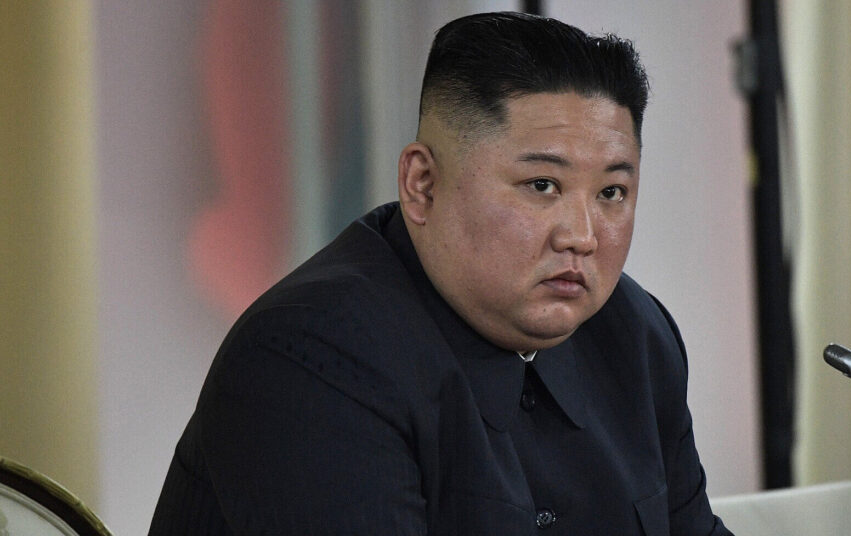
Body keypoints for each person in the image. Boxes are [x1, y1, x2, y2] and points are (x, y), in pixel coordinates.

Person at [150, 11, 732, 535]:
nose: (582, 235)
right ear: (422, 184)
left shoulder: (636, 334)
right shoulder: (307, 358)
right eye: (542, 185)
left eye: (611, 192)